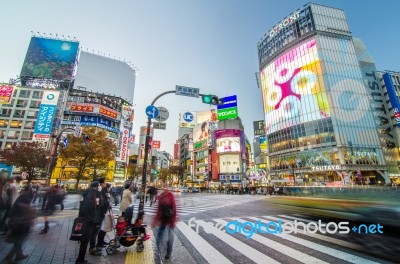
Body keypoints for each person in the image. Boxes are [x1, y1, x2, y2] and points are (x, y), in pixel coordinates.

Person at [2, 186, 36, 263]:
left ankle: (18, 255)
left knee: (18, 240)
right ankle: (9, 258)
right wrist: (31, 217)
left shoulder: (23, 197)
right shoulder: (24, 198)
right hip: (19, 222)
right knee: (19, 240)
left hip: (17, 221)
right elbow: (25, 210)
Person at [76, 181, 102, 264]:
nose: (100, 187)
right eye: (99, 185)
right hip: (88, 221)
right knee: (85, 241)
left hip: (87, 220)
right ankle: (80, 260)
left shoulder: (90, 193)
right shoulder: (91, 194)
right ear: (96, 186)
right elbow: (88, 208)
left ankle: (80, 259)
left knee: (84, 241)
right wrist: (91, 219)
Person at [152, 186, 177, 260]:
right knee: (167, 237)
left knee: (162, 236)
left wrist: (155, 221)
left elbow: (159, 210)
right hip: (168, 219)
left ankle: (159, 252)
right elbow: (174, 209)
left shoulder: (162, 197)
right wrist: (155, 220)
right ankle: (167, 252)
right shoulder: (167, 196)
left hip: (166, 220)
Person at [96, 181, 111, 248]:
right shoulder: (102, 193)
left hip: (104, 212)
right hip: (102, 212)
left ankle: (101, 241)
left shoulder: (105, 193)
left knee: (104, 228)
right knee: (102, 228)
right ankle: (99, 242)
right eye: (109, 188)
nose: (110, 189)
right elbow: (103, 203)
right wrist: (108, 203)